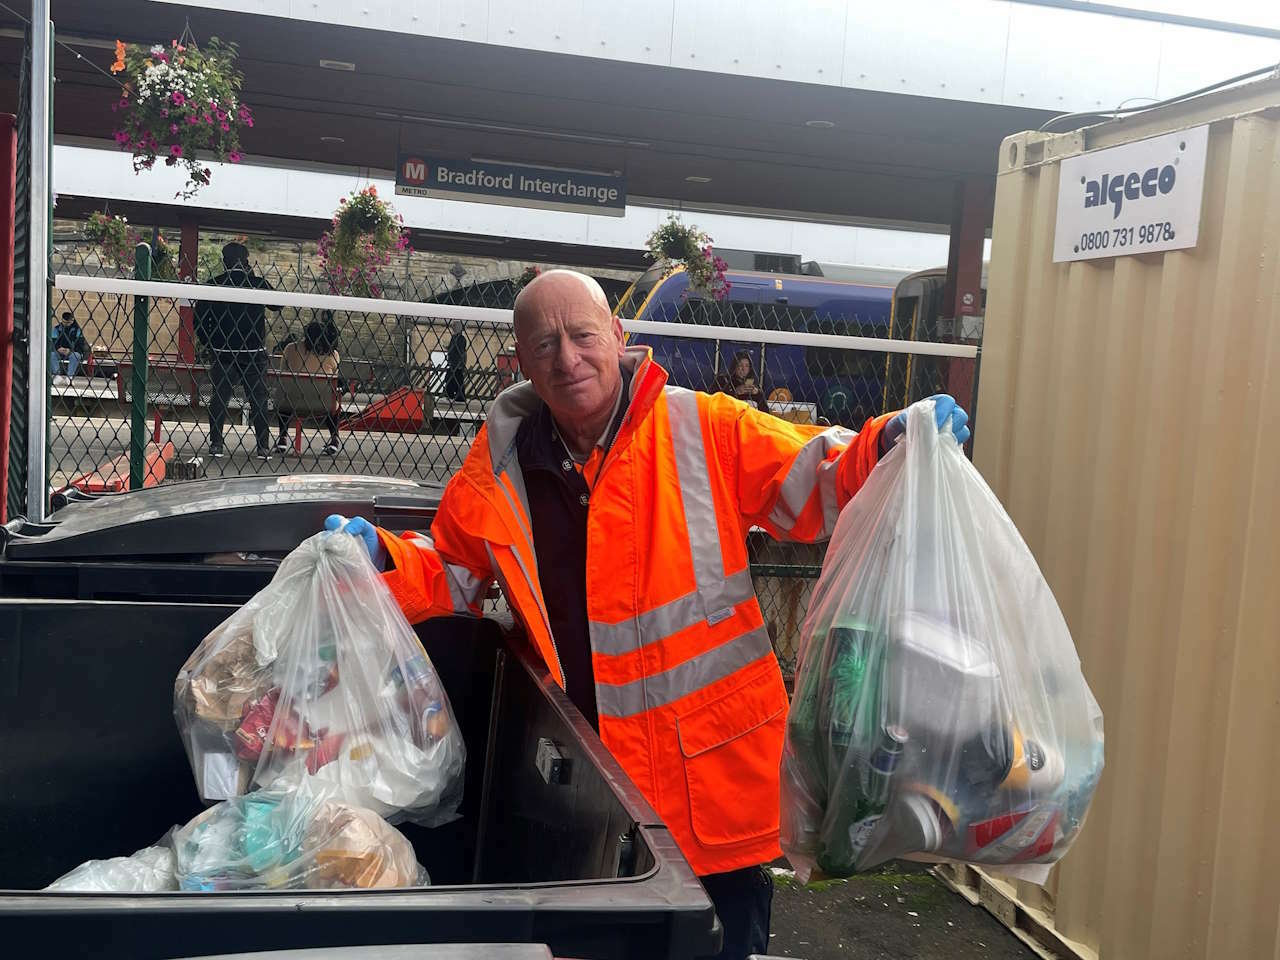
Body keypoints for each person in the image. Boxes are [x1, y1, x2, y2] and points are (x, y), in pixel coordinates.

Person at [324, 270, 969, 959]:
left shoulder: (700, 427)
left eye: (581, 336)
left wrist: (888, 445)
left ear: (619, 337)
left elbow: (814, 477)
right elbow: (451, 568)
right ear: (521, 359)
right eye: (544, 345)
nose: (567, 359)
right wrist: (379, 561)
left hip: (708, 795)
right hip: (585, 797)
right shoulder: (502, 462)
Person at [194, 242, 281, 459]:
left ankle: (216, 443)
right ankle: (262, 446)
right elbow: (278, 305)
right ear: (246, 261)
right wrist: (255, 277)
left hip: (223, 351)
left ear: (224, 261)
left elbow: (199, 321)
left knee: (219, 398)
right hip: (253, 351)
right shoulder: (256, 284)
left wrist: (210, 341)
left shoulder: (214, 285)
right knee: (258, 399)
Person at [274, 314, 342, 456]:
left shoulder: (291, 348)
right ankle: (335, 438)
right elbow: (337, 375)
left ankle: (282, 438)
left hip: (292, 402)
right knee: (332, 399)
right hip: (322, 405)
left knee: (285, 394)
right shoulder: (333, 354)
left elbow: (283, 372)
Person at [50, 311, 89, 386]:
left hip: (72, 352)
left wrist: (70, 351)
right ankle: (57, 375)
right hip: (60, 351)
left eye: (67, 323)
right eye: (64, 322)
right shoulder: (57, 329)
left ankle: (70, 376)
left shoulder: (77, 330)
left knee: (76, 355)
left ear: (72, 321)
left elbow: (80, 344)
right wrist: (58, 348)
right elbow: (53, 341)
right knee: (51, 355)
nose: (65, 324)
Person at [443, 319, 468, 402]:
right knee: (453, 379)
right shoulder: (456, 338)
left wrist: (460, 363)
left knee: (455, 379)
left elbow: (459, 350)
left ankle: (456, 396)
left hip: (457, 363)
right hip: (454, 363)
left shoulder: (460, 339)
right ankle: (453, 395)